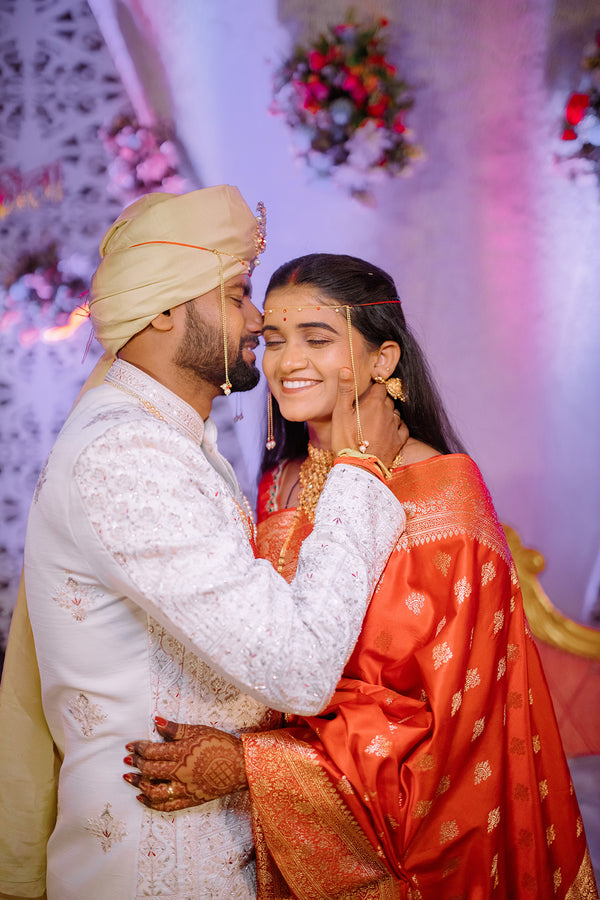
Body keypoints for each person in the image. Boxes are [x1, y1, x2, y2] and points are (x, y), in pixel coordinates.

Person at [127, 254, 598, 899]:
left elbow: (448, 728)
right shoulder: (278, 482)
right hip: (286, 833)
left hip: (413, 848)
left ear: (384, 359)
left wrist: (252, 766)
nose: (288, 362)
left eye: (317, 339)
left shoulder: (443, 495)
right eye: (274, 340)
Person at [0, 198, 408, 900]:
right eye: (237, 294)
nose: (258, 320)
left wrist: (250, 762)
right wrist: (359, 474)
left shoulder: (172, 442)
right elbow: (298, 667)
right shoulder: (129, 454)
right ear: (164, 309)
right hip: (154, 866)